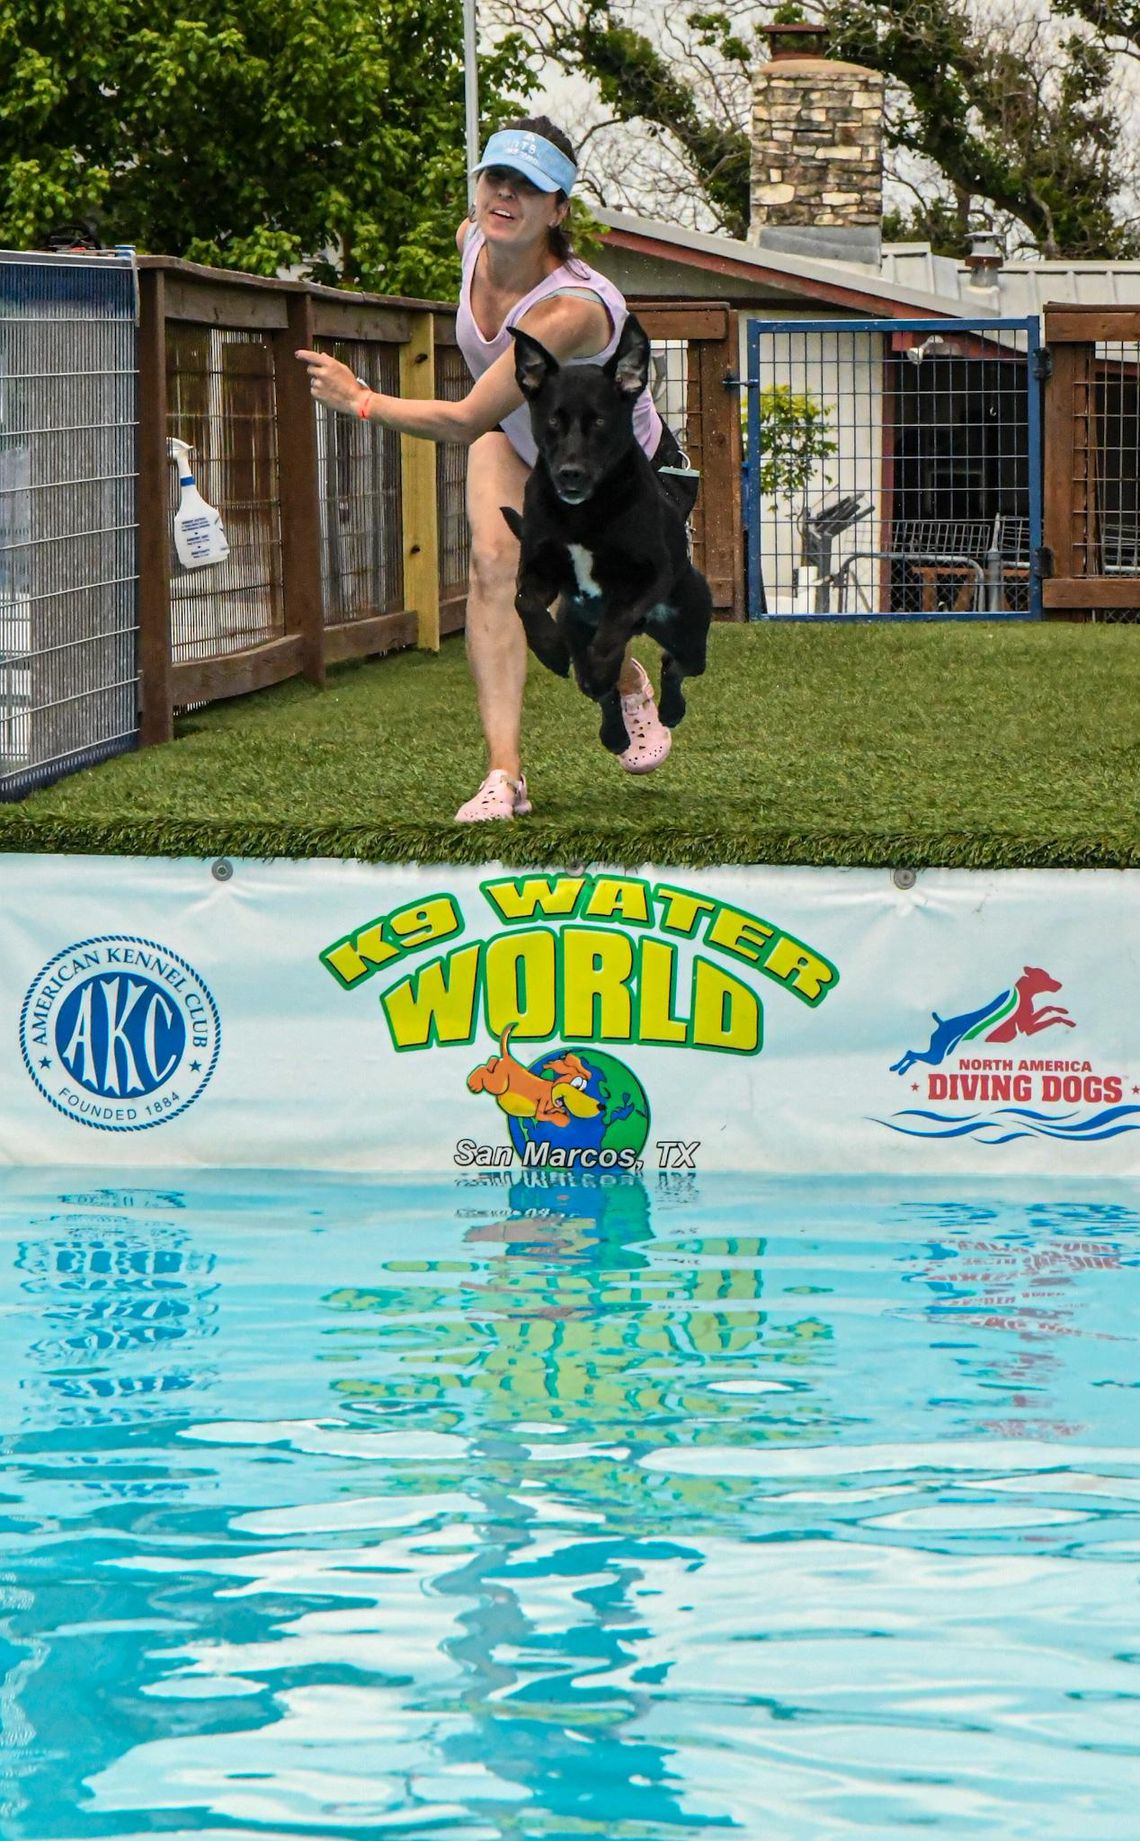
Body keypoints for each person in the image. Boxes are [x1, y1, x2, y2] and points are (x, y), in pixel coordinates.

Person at [296, 116, 697, 822]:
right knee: (491, 565)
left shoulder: (569, 311)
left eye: (528, 187)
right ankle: (503, 777)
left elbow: (466, 418)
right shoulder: (472, 239)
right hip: (522, 443)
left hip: (622, 477)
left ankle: (626, 676)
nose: (505, 195)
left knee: (581, 612)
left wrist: (359, 400)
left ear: (559, 210)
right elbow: (492, 425)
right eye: (496, 178)